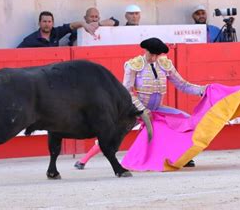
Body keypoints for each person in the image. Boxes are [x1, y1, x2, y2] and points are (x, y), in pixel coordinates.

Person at [74, 38, 205, 170]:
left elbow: (182, 85)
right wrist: (142, 110)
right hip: (135, 111)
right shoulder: (134, 65)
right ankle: (84, 160)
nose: (153, 58)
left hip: (157, 109)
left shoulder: (165, 64)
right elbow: (127, 91)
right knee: (112, 134)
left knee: (186, 120)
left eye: (157, 55)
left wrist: (202, 90)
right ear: (145, 50)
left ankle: (182, 157)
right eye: (151, 54)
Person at [17, 11, 98, 48]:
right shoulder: (31, 39)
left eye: (49, 21)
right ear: (39, 23)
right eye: (44, 21)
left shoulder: (56, 32)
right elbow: (16, 53)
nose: (47, 24)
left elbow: (72, 26)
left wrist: (84, 24)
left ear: (52, 23)